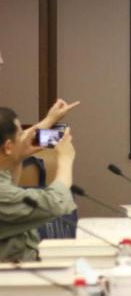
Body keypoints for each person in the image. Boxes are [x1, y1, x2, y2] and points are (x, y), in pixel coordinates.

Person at [0, 99, 79, 261]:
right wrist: (65, 159)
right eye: (20, 134)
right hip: (15, 273)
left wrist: (49, 120)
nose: (24, 137)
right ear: (8, 147)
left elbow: (11, 185)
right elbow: (56, 203)